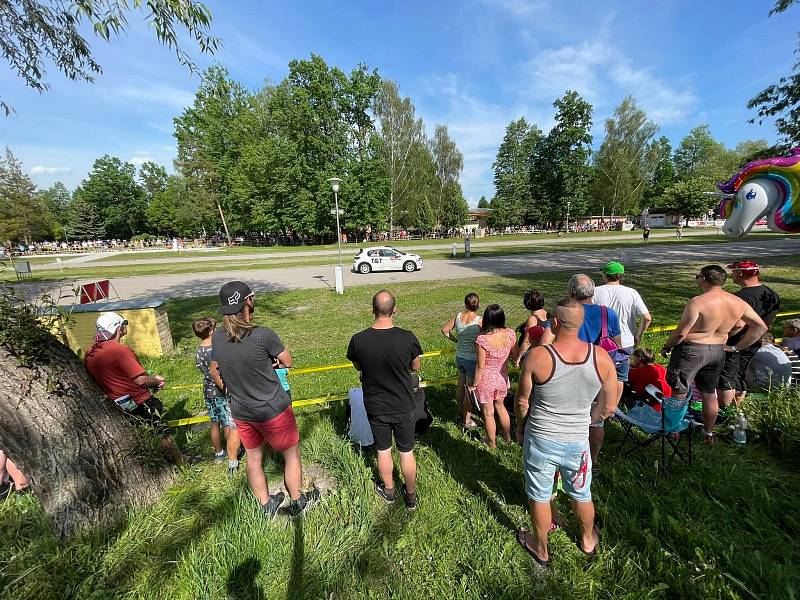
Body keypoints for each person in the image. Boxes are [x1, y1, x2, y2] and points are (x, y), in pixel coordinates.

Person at [514, 298, 618, 567]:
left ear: (555, 323)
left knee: (539, 494)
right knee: (582, 493)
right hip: (577, 441)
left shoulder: (538, 356)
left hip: (541, 437)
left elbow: (523, 400)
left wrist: (520, 427)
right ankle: (587, 540)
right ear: (581, 322)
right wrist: (589, 421)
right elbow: (609, 404)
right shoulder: (601, 357)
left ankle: (540, 547)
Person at [212, 281, 319, 518]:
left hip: (241, 411)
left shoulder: (217, 338)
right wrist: (272, 362)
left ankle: (265, 503)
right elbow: (288, 360)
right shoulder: (262, 335)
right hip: (273, 409)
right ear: (247, 302)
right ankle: (298, 500)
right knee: (291, 454)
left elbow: (219, 366)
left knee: (253, 457)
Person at [661, 265, 767, 444]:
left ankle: (672, 430)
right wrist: (736, 347)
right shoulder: (737, 302)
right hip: (717, 350)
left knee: (679, 390)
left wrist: (667, 346)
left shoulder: (697, 301)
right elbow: (758, 326)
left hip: (692, 350)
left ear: (703, 279)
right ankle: (708, 433)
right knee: (709, 393)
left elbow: (681, 332)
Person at [84, 312, 195, 465]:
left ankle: (155, 459)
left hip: (115, 404)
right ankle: (179, 460)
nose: (125, 327)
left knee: (141, 433)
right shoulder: (120, 350)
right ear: (118, 328)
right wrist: (156, 381)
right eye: (124, 323)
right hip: (140, 401)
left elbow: (118, 374)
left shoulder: (91, 352)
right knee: (161, 432)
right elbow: (141, 380)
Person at [347, 290, 422, 510]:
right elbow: (415, 366)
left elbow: (358, 365)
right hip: (403, 404)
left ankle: (388, 490)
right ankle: (410, 495)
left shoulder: (358, 340)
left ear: (373, 310)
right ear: (394, 310)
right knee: (406, 451)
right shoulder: (407, 337)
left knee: (383, 450)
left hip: (376, 405)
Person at [567, 274, 622, 462]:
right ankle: (593, 460)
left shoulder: (567, 312)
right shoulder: (608, 313)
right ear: (592, 291)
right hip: (600, 372)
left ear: (572, 292)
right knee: (596, 421)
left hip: (572, 370)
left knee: (572, 416)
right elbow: (617, 346)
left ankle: (571, 456)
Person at [716, 261, 780, 408]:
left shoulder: (741, 297)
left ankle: (725, 412)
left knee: (726, 378)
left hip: (736, 343)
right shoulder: (771, 294)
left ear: (740, 273)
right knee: (740, 374)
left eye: (733, 272)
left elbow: (739, 323)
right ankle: (737, 408)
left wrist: (726, 338)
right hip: (754, 341)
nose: (732, 275)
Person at [192, 317, 242, 474]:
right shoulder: (216, 349)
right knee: (228, 422)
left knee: (214, 422)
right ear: (212, 331)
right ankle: (232, 452)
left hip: (208, 390)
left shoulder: (199, 350)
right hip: (221, 389)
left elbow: (201, 368)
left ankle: (218, 453)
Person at [471, 304, 517, 449]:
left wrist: (474, 384)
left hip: (486, 381)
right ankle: (508, 438)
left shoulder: (482, 340)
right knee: (501, 407)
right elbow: (513, 355)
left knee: (488, 413)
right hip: (502, 377)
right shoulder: (510, 334)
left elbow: (480, 366)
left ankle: (491, 443)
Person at [440, 293, 482, 430]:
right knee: (469, 390)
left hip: (460, 357)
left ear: (465, 304)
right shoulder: (479, 320)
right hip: (472, 359)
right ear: (478, 305)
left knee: (460, 386)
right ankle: (467, 419)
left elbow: (444, 330)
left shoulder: (458, 316)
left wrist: (456, 340)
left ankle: (459, 413)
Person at [516, 290, 552, 364]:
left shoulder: (533, 318)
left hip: (534, 353)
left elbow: (527, 341)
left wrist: (519, 357)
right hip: (547, 351)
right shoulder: (548, 314)